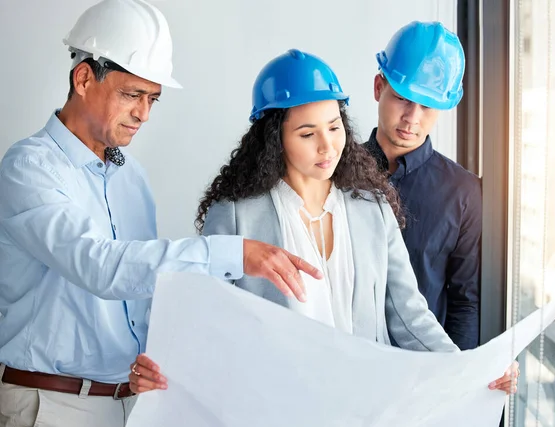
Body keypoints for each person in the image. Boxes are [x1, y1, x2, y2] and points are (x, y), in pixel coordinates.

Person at [0, 2, 320, 426]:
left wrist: (149, 356)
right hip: (48, 403)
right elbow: (99, 266)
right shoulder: (29, 168)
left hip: (124, 404)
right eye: (131, 94)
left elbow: (139, 293)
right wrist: (231, 254)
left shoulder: (131, 179)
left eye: (152, 98)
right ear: (83, 78)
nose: (144, 114)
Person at [128, 48, 518, 397]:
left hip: (363, 406)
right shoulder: (235, 215)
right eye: (307, 133)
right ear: (274, 138)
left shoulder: (373, 207)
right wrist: (162, 369)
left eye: (334, 127)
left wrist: (472, 372)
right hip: (275, 407)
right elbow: (206, 322)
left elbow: (409, 315)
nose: (328, 146)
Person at [364, 21, 482, 350]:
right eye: (403, 98)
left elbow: (465, 302)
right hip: (348, 370)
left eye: (428, 105)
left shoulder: (464, 192)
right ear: (378, 87)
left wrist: (458, 384)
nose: (413, 118)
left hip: (424, 373)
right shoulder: (332, 174)